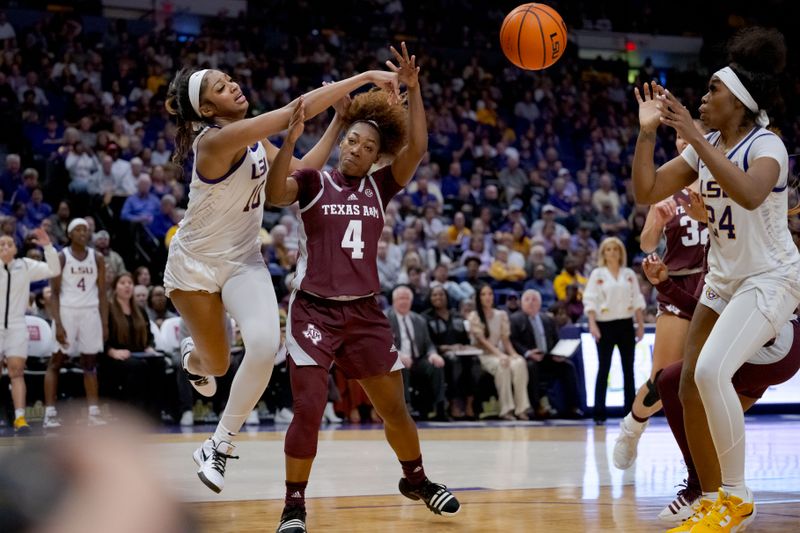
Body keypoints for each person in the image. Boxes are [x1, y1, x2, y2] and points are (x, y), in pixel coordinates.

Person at [163, 63, 399, 494]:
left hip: (242, 260)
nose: (232, 83)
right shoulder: (216, 140)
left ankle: (219, 443)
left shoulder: (253, 141)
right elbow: (297, 109)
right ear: (208, 109)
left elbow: (298, 175)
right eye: (220, 86)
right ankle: (191, 356)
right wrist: (365, 77)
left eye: (229, 78)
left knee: (264, 345)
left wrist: (340, 122)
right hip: (195, 264)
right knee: (214, 365)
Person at [265, 43, 460, 532]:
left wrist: (414, 91)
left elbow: (417, 148)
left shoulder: (380, 187)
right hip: (313, 312)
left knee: (394, 408)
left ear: (378, 156)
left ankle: (415, 480)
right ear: (342, 140)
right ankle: (293, 507)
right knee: (309, 407)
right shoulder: (312, 182)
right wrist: (290, 141)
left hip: (365, 315)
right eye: (352, 140)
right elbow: (273, 194)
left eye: (368, 146)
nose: (356, 149)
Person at [632, 27, 800, 531]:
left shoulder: (767, 145)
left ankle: (737, 495)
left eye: (712, 92)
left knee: (709, 374)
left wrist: (697, 141)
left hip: (769, 279)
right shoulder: (705, 144)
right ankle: (710, 500)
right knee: (687, 386)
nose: (702, 99)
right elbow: (647, 190)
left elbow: (749, 194)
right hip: (723, 280)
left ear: (739, 105)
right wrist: (646, 134)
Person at [640, 253, 800, 529]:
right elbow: (704, 312)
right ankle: (715, 495)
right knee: (705, 417)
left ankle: (705, 491)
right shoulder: (717, 244)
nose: (689, 206)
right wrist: (664, 284)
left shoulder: (740, 241)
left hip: (775, 342)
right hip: (773, 346)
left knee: (676, 382)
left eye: (691, 204)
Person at [613, 120, 709, 470]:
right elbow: (646, 243)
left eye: (691, 135)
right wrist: (655, 221)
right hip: (678, 284)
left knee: (707, 379)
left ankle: (705, 470)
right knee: (663, 379)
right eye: (681, 137)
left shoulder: (722, 182)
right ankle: (633, 427)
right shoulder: (669, 189)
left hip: (715, 285)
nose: (685, 141)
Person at [45, 218, 108, 428]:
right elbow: (53, 293)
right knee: (56, 361)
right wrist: (59, 324)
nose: (83, 233)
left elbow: (102, 293)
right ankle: (50, 413)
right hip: (67, 311)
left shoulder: (97, 257)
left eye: (86, 230)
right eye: (78, 230)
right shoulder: (61, 257)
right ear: (70, 234)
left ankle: (94, 412)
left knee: (90, 363)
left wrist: (105, 323)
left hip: (90, 313)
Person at [0, 229, 60, 433]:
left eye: (9, 244)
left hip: (17, 325)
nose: (5, 247)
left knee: (17, 373)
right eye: (1, 244)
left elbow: (54, 268)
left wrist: (47, 246)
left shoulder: (25, 265)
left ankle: (19, 419)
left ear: (16, 248)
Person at [583, 237, 646, 425]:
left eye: (615, 249)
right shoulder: (597, 274)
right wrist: (592, 324)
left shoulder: (629, 274)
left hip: (626, 324)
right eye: (608, 249)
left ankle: (630, 413)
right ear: (603, 253)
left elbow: (636, 300)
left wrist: (640, 325)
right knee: (604, 368)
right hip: (604, 325)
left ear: (620, 252)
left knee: (629, 370)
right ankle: (599, 413)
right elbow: (590, 299)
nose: (612, 252)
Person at [100, 272, 165, 420]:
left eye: (130, 283)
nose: (127, 286)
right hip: (114, 355)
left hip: (140, 352)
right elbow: (100, 336)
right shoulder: (108, 309)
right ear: (115, 288)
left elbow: (149, 335)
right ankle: (134, 413)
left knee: (159, 363)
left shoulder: (140, 310)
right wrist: (112, 351)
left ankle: (154, 413)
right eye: (122, 283)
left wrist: (149, 347)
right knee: (137, 367)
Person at [510, 289, 583, 419]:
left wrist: (559, 354)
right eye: (527, 299)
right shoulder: (515, 319)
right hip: (529, 359)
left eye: (534, 299)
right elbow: (513, 341)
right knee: (532, 367)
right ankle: (537, 407)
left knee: (568, 366)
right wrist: (528, 353)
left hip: (548, 357)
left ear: (540, 303)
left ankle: (573, 406)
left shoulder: (547, 319)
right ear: (522, 303)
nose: (531, 302)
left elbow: (556, 340)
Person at [468, 283, 531, 421]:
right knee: (503, 365)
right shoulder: (474, 316)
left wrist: (513, 354)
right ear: (479, 297)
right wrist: (500, 355)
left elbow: (506, 340)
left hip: (500, 352)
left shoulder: (501, 314)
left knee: (519, 362)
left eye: (490, 294)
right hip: (484, 355)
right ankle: (506, 409)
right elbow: (483, 341)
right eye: (484, 294)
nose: (487, 297)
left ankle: (521, 408)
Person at [386, 285, 446, 420]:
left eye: (407, 298)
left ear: (411, 301)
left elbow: (428, 343)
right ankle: (406, 406)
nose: (404, 301)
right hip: (395, 359)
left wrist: (433, 354)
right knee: (401, 365)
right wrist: (398, 354)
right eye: (401, 298)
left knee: (436, 366)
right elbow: (383, 344)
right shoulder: (386, 318)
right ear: (394, 301)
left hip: (418, 359)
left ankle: (439, 407)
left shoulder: (419, 319)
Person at [423, 286, 480, 419]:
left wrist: (465, 346)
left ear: (447, 297)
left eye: (441, 295)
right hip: (439, 354)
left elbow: (465, 340)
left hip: (461, 352)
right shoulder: (426, 318)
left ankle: (469, 404)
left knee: (475, 361)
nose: (438, 297)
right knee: (454, 361)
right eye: (435, 295)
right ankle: (454, 403)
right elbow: (428, 344)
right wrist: (448, 348)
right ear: (430, 298)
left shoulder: (457, 315)